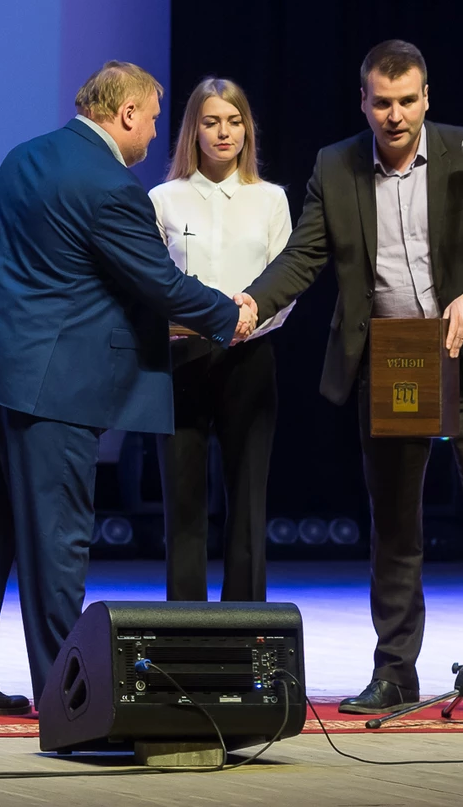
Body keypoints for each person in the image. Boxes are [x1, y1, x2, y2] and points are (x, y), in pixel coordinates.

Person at [0, 61, 256, 715]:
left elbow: (46, 270)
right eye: (153, 118)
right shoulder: (110, 185)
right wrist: (230, 313)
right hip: (52, 386)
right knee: (56, 544)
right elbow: (158, 284)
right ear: (127, 113)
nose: (156, 132)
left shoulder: (23, 157)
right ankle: (65, 696)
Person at [239, 39, 463, 716]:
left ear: (426, 98)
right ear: (363, 101)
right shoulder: (336, 165)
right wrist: (252, 303)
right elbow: (304, 256)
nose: (395, 115)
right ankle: (395, 671)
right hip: (394, 360)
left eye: (407, 101)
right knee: (395, 527)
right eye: (382, 103)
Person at [149, 77, 294, 602]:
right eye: (211, 122)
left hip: (248, 355)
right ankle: (186, 624)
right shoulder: (164, 199)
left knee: (248, 500)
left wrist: (246, 323)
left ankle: (247, 625)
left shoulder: (270, 199)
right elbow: (153, 283)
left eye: (234, 121)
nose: (223, 132)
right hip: (180, 359)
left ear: (247, 128)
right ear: (194, 129)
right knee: (183, 501)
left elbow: (285, 284)